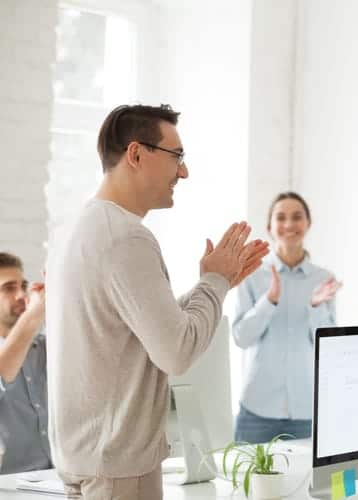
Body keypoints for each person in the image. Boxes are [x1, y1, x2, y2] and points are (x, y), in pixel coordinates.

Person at [45, 104, 269, 500]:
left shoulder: (77, 228)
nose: (183, 172)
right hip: (118, 471)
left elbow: (129, 328)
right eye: (177, 157)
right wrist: (214, 281)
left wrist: (216, 285)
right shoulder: (127, 237)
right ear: (136, 154)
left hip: (86, 461)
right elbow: (177, 351)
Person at [232, 192, 341, 443]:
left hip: (306, 411)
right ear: (270, 227)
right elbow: (241, 338)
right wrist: (268, 301)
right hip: (256, 409)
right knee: (246, 482)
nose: (289, 224)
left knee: (304, 483)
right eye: (281, 218)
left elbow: (329, 348)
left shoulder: (323, 279)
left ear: (308, 223)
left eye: (297, 217)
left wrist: (315, 306)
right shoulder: (251, 274)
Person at [0, 252, 52, 474]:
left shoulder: (45, 346)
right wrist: (33, 316)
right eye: (9, 288)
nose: (22, 295)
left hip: (58, 481)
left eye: (23, 285)